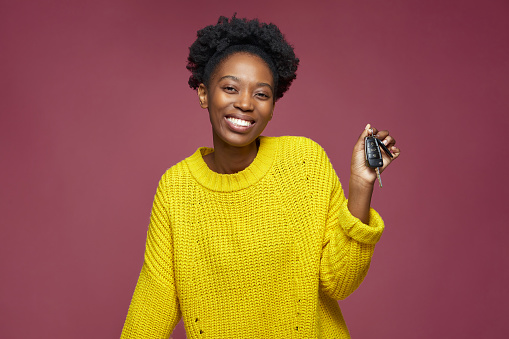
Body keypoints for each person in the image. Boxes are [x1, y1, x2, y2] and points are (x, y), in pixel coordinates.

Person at [121, 15, 400, 339]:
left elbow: (340, 282)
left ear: (273, 105)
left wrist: (361, 184)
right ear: (203, 93)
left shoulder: (304, 162)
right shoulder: (176, 190)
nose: (244, 103)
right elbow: (153, 304)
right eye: (230, 88)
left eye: (261, 94)